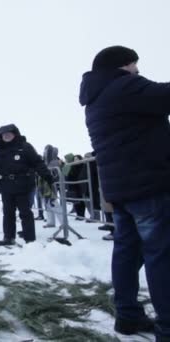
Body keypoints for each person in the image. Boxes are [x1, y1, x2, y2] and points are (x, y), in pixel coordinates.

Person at [80, 45, 170, 340]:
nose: (138, 69)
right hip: (150, 184)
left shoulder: (95, 97)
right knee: (161, 255)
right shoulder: (124, 86)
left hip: (121, 189)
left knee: (127, 253)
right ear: (123, 65)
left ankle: (128, 315)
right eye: (134, 64)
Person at [0, 124, 54, 245]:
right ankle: (9, 237)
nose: (6, 136)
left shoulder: (25, 147)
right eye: (4, 134)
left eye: (9, 133)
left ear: (15, 134)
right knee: (8, 213)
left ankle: (30, 239)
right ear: (0, 136)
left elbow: (38, 163)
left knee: (25, 213)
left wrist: (47, 176)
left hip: (24, 185)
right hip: (6, 186)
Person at [40, 145, 63, 228]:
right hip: (43, 184)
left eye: (46, 150)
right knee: (47, 204)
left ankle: (63, 222)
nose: (44, 152)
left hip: (50, 184)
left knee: (53, 203)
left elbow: (56, 174)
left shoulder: (54, 161)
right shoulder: (45, 162)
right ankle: (51, 222)